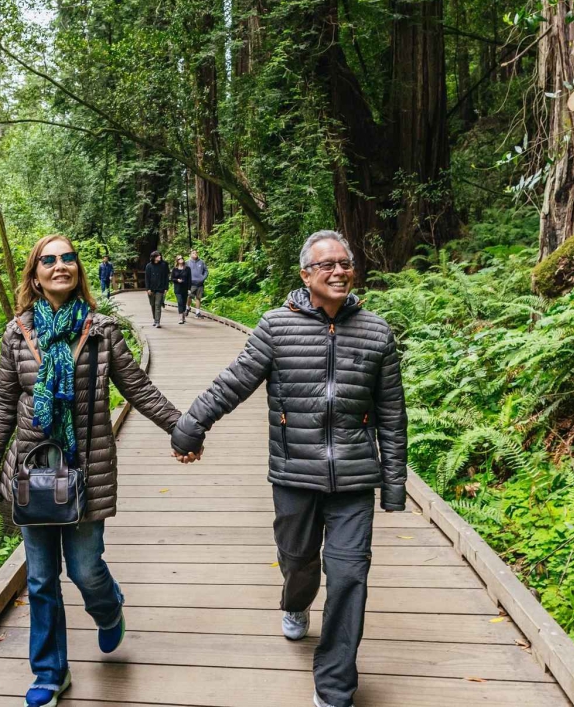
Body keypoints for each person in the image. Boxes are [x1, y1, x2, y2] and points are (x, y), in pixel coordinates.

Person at [170, 230, 408, 707]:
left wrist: (394, 484)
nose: (340, 271)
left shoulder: (377, 332)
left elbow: (392, 414)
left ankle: (335, 687)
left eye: (346, 262)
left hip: (356, 479)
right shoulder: (277, 326)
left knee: (348, 576)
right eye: (328, 265)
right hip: (295, 474)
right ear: (306, 275)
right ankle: (295, 603)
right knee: (299, 562)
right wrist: (191, 425)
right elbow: (234, 381)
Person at [0, 234, 182, 707]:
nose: (59, 265)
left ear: (78, 270)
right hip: (32, 473)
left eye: (68, 258)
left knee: (86, 570)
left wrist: (181, 428)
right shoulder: (16, 334)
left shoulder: (102, 331)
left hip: (85, 470)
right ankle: (50, 672)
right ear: (35, 274)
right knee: (42, 578)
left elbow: (139, 389)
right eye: (49, 260)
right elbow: (4, 405)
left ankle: (109, 611)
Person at [143, 250, 169, 327]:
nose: (160, 257)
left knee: (158, 304)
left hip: (160, 288)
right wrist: (148, 289)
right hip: (151, 288)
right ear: (154, 257)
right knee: (153, 304)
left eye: (159, 256)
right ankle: (155, 319)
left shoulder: (163, 265)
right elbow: (147, 278)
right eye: (158, 256)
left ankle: (158, 321)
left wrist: (166, 287)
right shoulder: (148, 266)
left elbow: (166, 277)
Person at [169, 255, 192, 324]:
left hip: (185, 288)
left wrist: (189, 289)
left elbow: (189, 279)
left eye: (182, 258)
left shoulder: (187, 268)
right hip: (177, 288)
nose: (181, 259)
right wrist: (177, 280)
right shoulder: (174, 269)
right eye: (179, 259)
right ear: (177, 261)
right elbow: (172, 278)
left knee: (184, 303)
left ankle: (183, 317)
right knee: (180, 302)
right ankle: (181, 318)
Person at [187, 249, 208, 313]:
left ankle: (197, 312)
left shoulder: (201, 262)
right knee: (190, 296)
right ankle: (187, 307)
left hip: (200, 283)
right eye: (193, 253)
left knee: (198, 297)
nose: (195, 254)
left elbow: (206, 271)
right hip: (191, 283)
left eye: (196, 253)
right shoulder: (187, 262)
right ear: (190, 254)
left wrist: (203, 278)